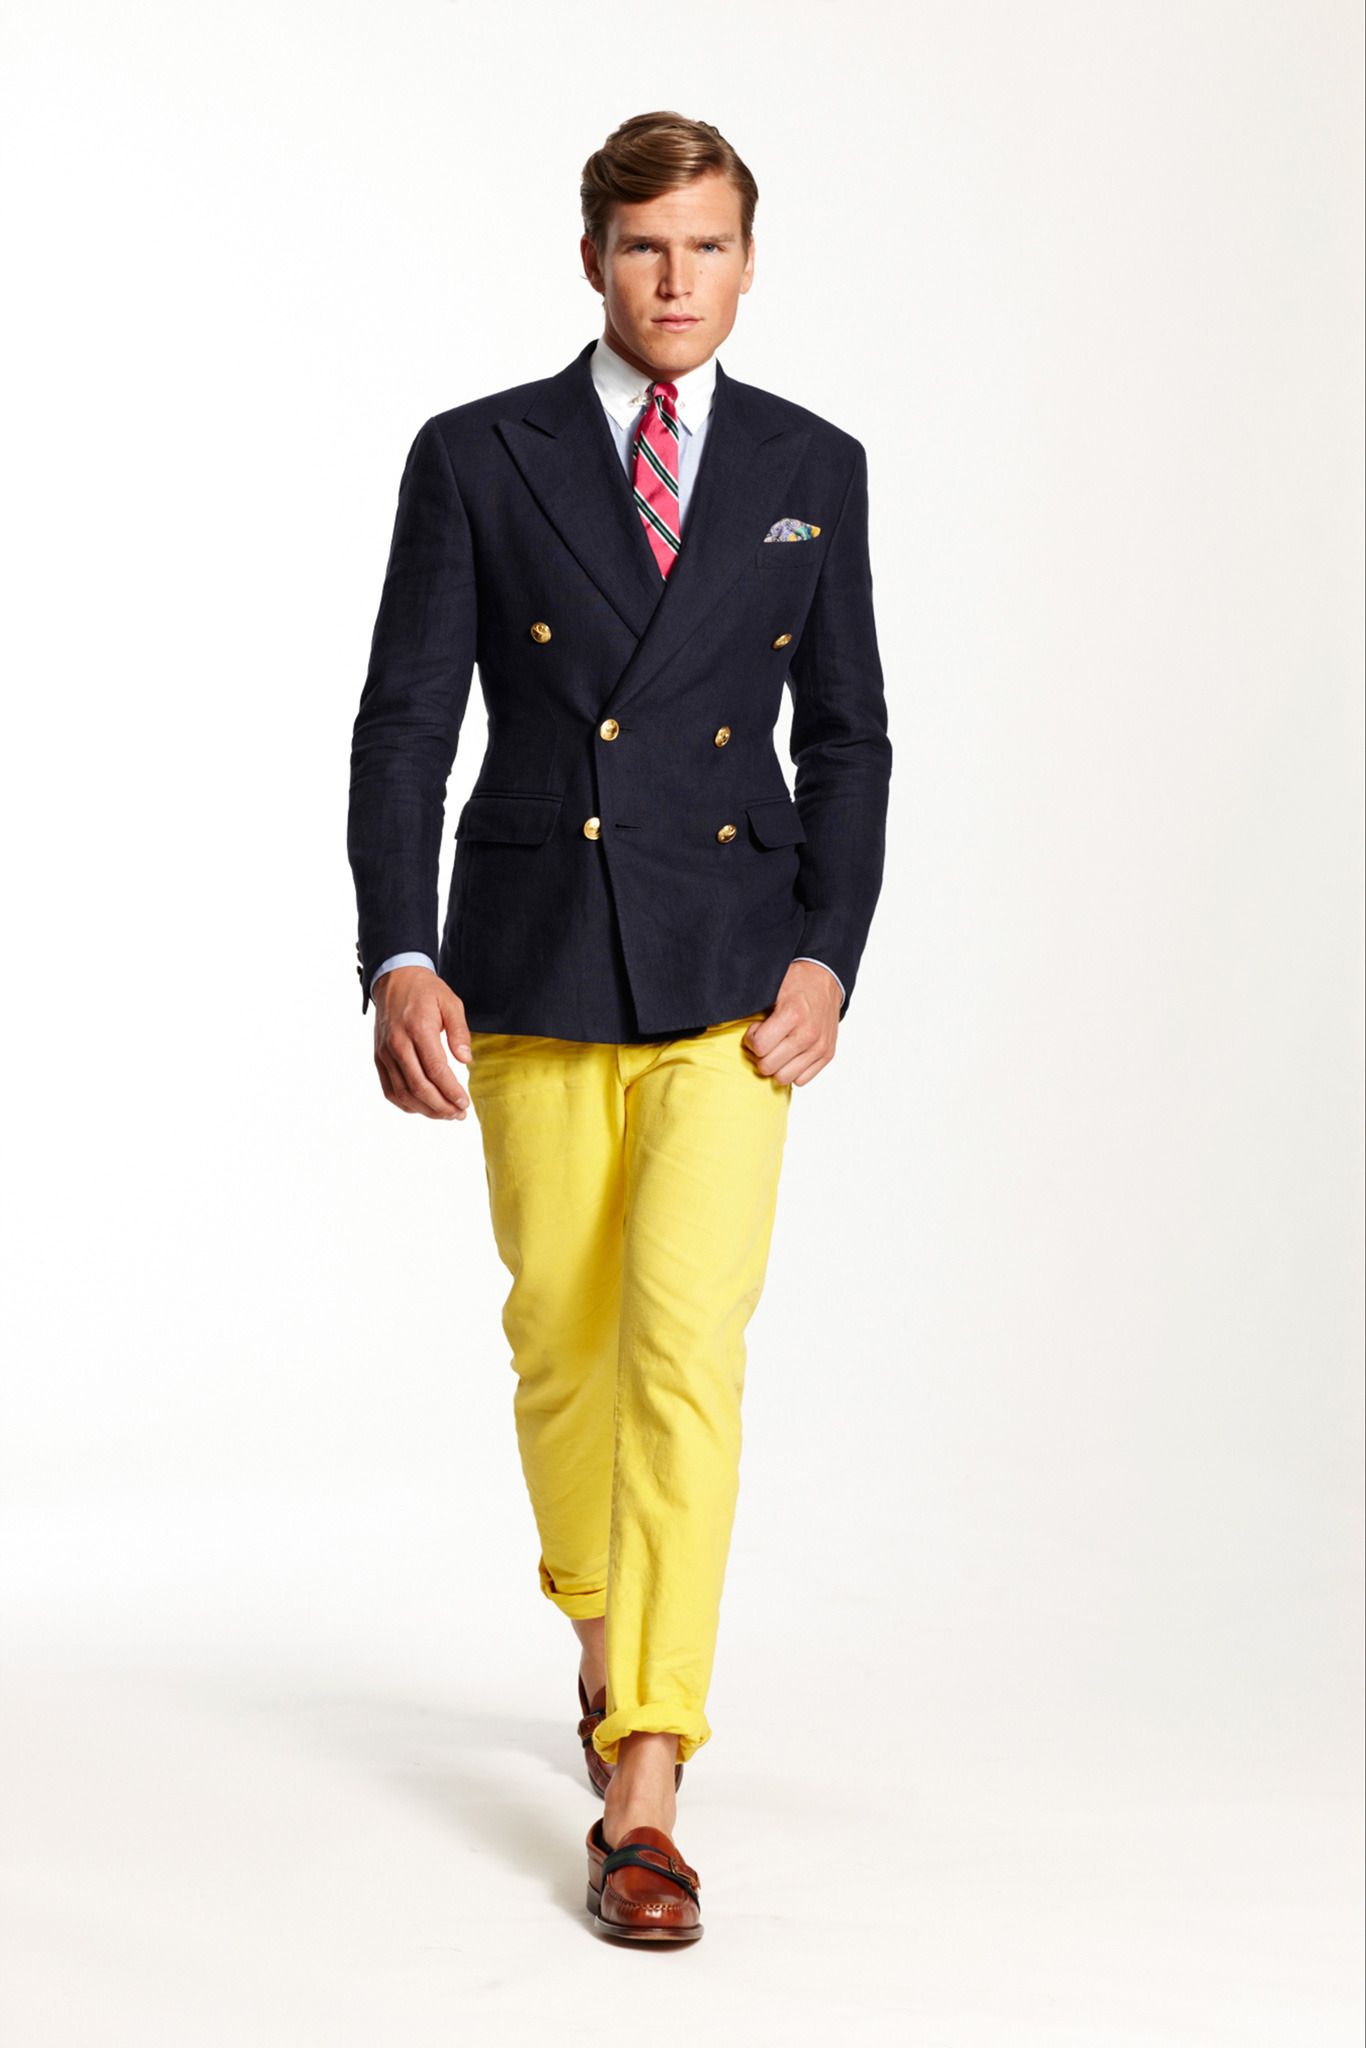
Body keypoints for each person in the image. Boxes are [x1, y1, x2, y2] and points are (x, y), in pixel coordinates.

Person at [346, 108, 892, 1944]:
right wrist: (397, 951)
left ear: (748, 261)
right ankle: (601, 1626)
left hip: (733, 971)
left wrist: (829, 953)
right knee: (563, 1344)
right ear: (592, 258)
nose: (676, 280)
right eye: (645, 246)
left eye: (707, 246)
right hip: (530, 957)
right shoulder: (476, 453)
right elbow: (405, 721)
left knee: (683, 1350)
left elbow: (849, 738)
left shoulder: (813, 465)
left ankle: (646, 1772)